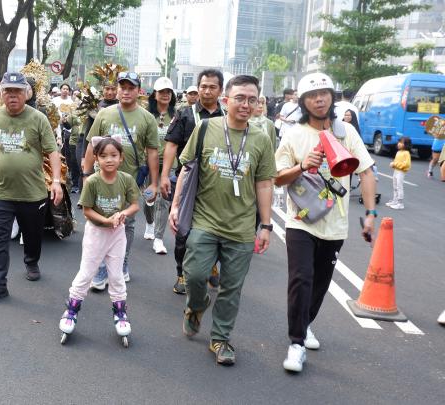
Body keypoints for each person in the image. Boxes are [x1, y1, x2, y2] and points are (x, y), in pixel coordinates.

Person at [169, 75, 276, 366]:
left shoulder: (262, 139)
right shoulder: (205, 128)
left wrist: (266, 225)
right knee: (193, 275)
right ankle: (197, 305)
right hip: (204, 221)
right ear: (226, 100)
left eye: (252, 99)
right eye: (240, 98)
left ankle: (220, 339)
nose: (245, 104)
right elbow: (188, 169)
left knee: (231, 288)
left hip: (241, 228)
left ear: (257, 104)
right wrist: (176, 206)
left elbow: (265, 183)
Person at [275, 72, 376, 373]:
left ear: (332, 97)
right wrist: (302, 166)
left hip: (336, 223)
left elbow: (367, 173)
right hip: (301, 219)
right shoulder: (293, 134)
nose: (319, 99)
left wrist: (370, 214)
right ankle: (296, 343)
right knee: (301, 278)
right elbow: (277, 177)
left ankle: (305, 325)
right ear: (304, 102)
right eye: (312, 95)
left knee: (320, 283)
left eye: (324, 94)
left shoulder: (345, 132)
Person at [0, 72, 63, 304]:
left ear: (26, 93)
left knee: (32, 234)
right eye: (8, 91)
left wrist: (55, 181)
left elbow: (52, 151)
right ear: (1, 94)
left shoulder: (38, 119)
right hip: (0, 191)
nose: (12, 96)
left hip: (32, 193)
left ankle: (31, 260)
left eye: (17, 91)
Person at [83, 71, 159, 288]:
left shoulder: (146, 118)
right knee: (100, 222)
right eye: (122, 87)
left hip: (130, 181)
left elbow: (152, 152)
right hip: (101, 180)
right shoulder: (104, 114)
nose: (126, 91)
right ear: (117, 90)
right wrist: (87, 174)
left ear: (138, 91)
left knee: (126, 224)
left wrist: (154, 183)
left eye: (131, 88)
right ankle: (100, 269)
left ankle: (122, 264)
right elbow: (91, 145)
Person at [58, 138, 139, 343]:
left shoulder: (126, 179)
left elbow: (134, 205)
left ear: (121, 158)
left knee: (116, 275)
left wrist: (122, 215)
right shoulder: (93, 181)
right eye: (103, 156)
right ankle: (71, 311)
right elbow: (86, 210)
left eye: (113, 155)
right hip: (96, 233)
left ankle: (120, 313)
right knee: (86, 273)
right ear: (96, 159)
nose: (109, 160)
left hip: (117, 234)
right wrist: (106, 220)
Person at [160, 68, 225, 294]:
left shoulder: (227, 116)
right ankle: (182, 274)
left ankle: (211, 266)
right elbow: (171, 145)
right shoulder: (185, 114)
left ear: (220, 90)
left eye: (212, 87)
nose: (207, 91)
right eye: (203, 86)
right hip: (187, 181)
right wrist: (164, 176)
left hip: (218, 183)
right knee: (183, 230)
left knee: (217, 230)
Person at [145, 77, 176, 255]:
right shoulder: (146, 115)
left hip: (170, 164)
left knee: (163, 199)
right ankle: (149, 223)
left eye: (168, 92)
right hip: (149, 162)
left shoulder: (178, 115)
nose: (165, 95)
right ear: (154, 94)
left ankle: (158, 238)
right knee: (148, 197)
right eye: (162, 92)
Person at [386, 136, 411, 210]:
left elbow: (407, 164)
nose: (399, 144)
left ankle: (400, 203)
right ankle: (395, 200)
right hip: (396, 171)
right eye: (399, 142)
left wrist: (395, 164)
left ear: (406, 144)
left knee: (399, 186)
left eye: (401, 142)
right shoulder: (399, 152)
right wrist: (393, 164)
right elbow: (397, 161)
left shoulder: (406, 153)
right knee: (395, 185)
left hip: (401, 171)